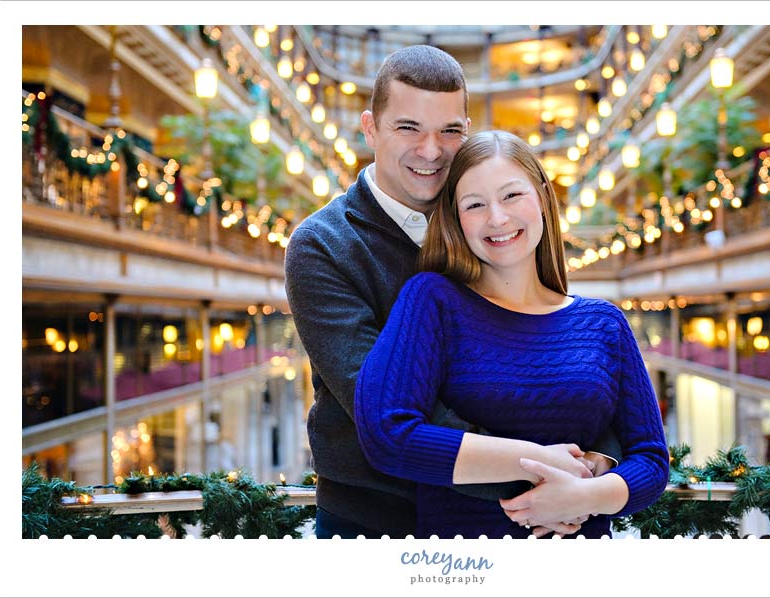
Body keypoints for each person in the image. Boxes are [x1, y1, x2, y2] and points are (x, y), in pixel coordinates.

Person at [286, 46, 619, 539]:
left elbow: (552, 347)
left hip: (506, 517)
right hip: (375, 517)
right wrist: (542, 477)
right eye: (407, 128)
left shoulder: (483, 219)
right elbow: (382, 408)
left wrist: (593, 463)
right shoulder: (323, 245)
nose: (431, 150)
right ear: (370, 127)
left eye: (449, 131)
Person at [354, 130, 669, 538]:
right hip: (464, 568)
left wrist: (584, 497)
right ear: (456, 218)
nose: (497, 218)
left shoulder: (604, 323)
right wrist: (537, 461)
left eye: (511, 196)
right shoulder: (432, 301)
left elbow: (651, 460)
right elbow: (388, 435)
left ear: (541, 195)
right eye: (475, 205)